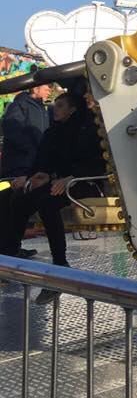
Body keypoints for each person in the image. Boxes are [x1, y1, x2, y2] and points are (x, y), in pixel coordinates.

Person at [0, 90, 107, 303]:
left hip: (84, 182)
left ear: (72, 109)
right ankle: (8, 255)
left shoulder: (86, 131)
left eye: (60, 106)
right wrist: (35, 176)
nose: (54, 109)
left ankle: (60, 264)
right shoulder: (52, 132)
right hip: (56, 181)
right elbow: (44, 161)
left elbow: (94, 163)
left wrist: (69, 177)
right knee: (15, 197)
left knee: (47, 204)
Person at [0, 83, 52, 260]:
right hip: (18, 165)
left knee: (19, 208)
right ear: (34, 89)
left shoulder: (42, 108)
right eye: (46, 87)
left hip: (32, 165)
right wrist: (30, 148)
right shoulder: (20, 105)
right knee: (9, 208)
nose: (49, 90)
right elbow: (11, 129)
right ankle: (7, 249)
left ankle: (12, 247)